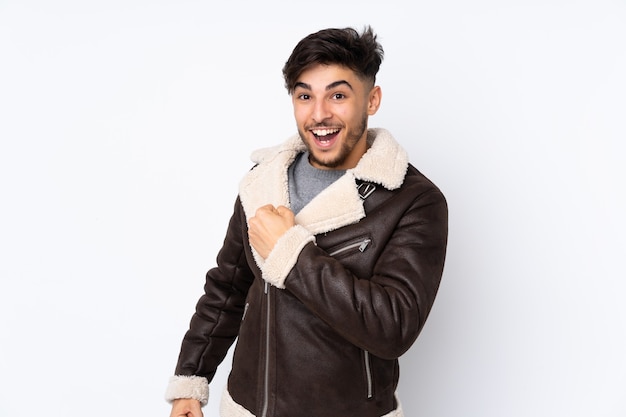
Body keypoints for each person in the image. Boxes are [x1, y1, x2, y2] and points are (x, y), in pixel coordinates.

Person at [165, 26, 448, 417]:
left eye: (338, 95)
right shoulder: (263, 181)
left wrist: (291, 255)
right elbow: (226, 290)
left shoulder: (413, 201)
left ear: (372, 100)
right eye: (304, 96)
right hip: (246, 407)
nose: (319, 114)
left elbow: (392, 326)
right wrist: (191, 384)